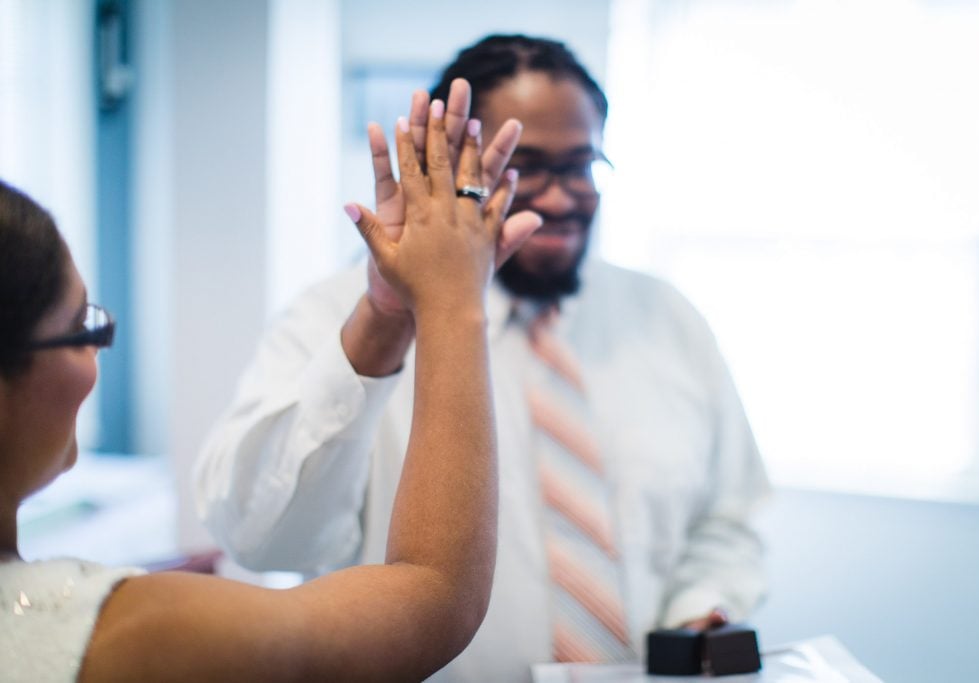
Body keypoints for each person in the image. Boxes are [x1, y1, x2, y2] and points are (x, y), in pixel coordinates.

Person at [195, 34, 772, 681]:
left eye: (581, 166)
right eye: (523, 168)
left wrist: (701, 609)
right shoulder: (335, 318)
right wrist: (384, 322)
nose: (560, 199)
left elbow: (730, 515)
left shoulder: (669, 320)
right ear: (443, 169)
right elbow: (262, 534)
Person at [0, 96, 520, 681]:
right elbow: (435, 596)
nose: (97, 353)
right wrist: (451, 302)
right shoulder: (125, 634)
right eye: (83, 328)